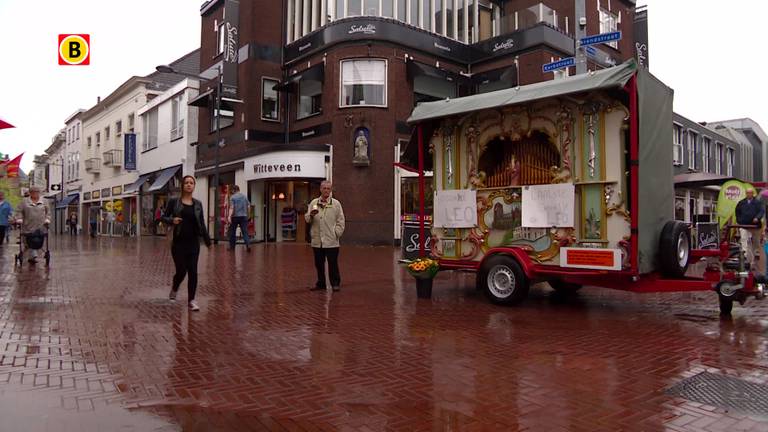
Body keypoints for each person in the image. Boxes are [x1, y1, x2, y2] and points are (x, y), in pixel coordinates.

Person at [162, 175, 212, 311]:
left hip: (193, 243)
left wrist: (208, 241)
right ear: (182, 186)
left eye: (191, 183)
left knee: (193, 272)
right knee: (181, 270)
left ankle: (192, 300)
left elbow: (202, 223)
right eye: (186, 183)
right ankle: (175, 287)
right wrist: (172, 220)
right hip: (178, 243)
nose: (189, 185)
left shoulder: (198, 204)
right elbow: (163, 217)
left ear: (194, 186)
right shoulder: (174, 202)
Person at [305, 181, 345, 292]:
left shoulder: (336, 204)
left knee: (333, 263)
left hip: (331, 240)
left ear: (331, 190)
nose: (326, 190)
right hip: (317, 240)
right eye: (324, 188)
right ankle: (321, 283)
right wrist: (311, 216)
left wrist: (336, 233)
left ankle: (335, 283)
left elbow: (341, 221)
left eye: (328, 188)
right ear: (320, 189)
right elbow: (307, 219)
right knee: (319, 264)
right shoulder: (314, 202)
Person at [14, 186, 50, 264]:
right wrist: (19, 218)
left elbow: (48, 212)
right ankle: (32, 255)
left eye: (37, 192)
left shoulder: (44, 201)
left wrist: (47, 219)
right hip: (28, 225)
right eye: (33, 192)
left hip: (40, 225)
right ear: (30, 193)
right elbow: (18, 211)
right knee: (28, 241)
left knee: (38, 241)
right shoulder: (24, 201)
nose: (35, 194)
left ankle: (33, 255)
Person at [735, 188, 764, 268]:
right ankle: (744, 254)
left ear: (753, 193)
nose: (749, 194)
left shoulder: (758, 202)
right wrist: (739, 220)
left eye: (750, 193)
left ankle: (755, 253)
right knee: (744, 239)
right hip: (744, 225)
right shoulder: (741, 202)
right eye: (747, 193)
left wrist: (757, 218)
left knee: (755, 241)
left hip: (755, 225)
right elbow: (737, 211)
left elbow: (761, 211)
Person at [228, 185, 251, 252]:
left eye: (232, 190)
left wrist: (229, 216)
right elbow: (249, 206)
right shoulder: (244, 197)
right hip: (244, 216)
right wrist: (248, 215)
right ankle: (248, 245)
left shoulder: (232, 197)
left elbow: (232, 207)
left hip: (235, 217)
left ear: (233, 190)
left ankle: (232, 247)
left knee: (232, 232)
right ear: (239, 190)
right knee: (245, 232)